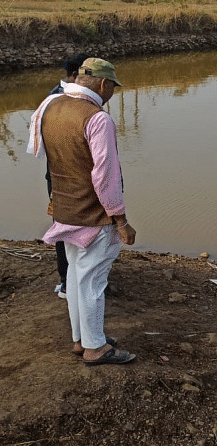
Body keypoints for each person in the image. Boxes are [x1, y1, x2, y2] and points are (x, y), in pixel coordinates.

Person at [27, 58, 137, 366]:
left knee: (76, 278)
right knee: (92, 283)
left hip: (65, 207)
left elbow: (46, 156)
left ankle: (83, 339)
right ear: (103, 85)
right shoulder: (97, 119)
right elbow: (105, 177)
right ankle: (95, 348)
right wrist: (121, 220)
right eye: (113, 88)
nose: (112, 93)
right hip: (93, 214)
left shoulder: (50, 107)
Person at [46, 53, 90, 299]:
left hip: (72, 173)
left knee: (81, 224)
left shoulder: (73, 97)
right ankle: (66, 282)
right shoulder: (57, 98)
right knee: (64, 225)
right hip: (62, 174)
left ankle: (78, 279)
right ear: (77, 75)